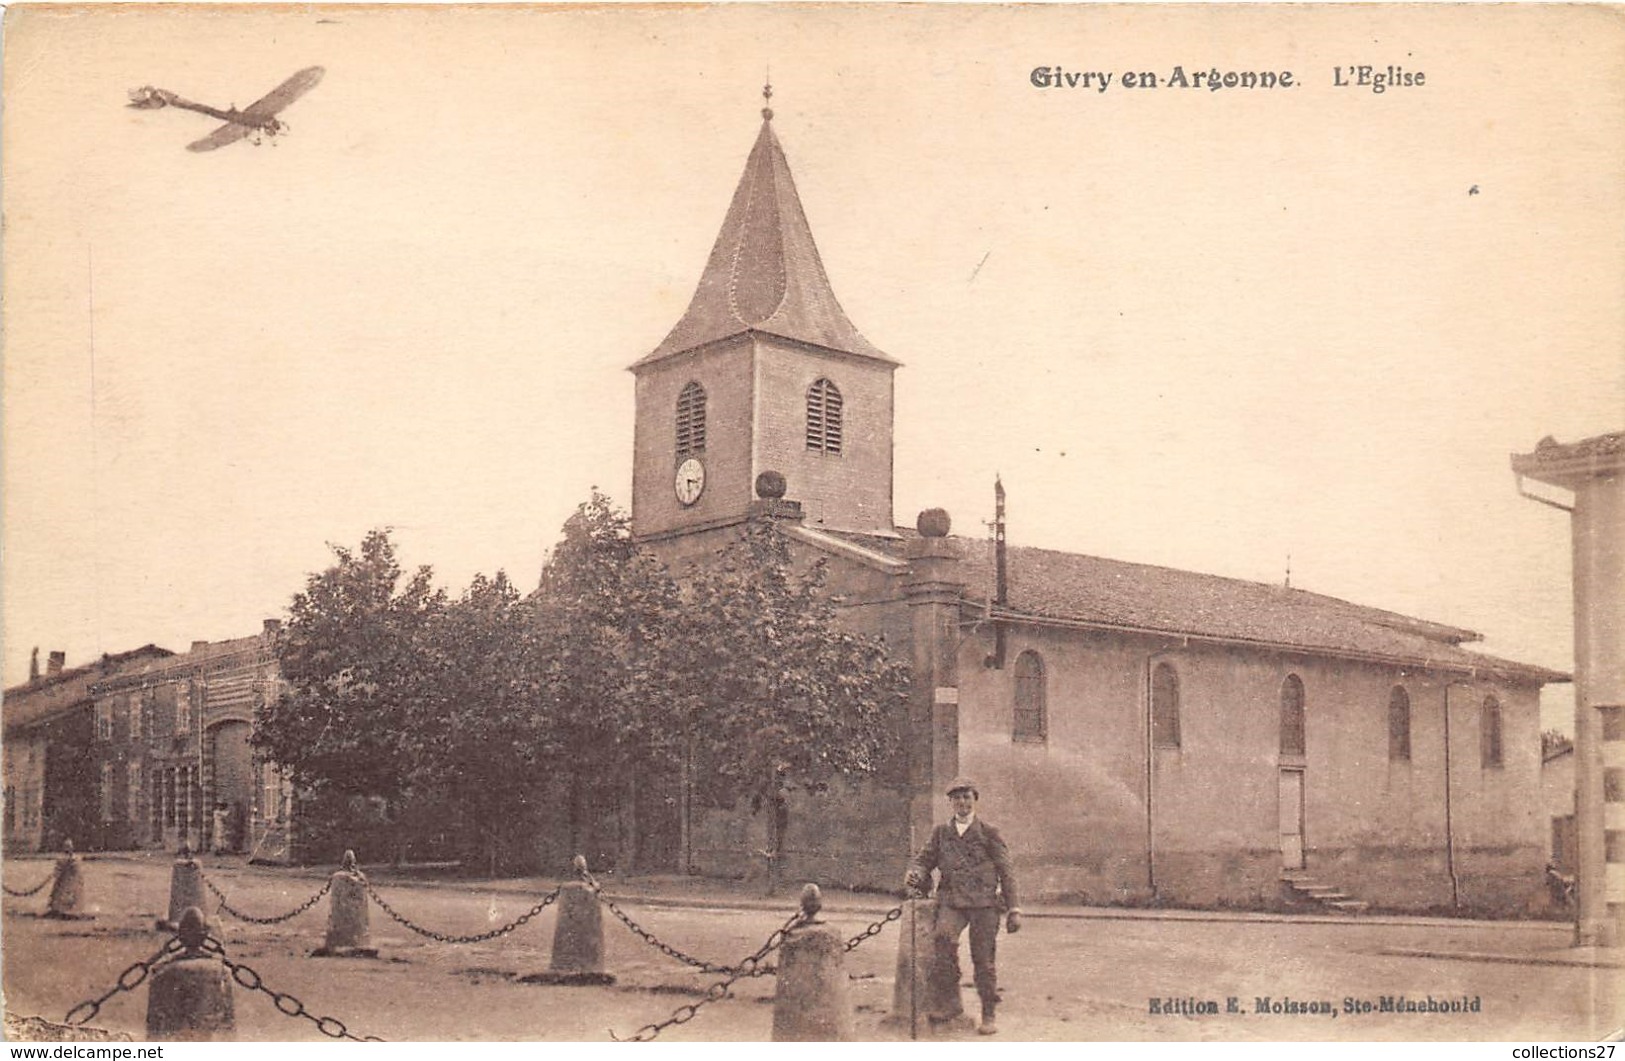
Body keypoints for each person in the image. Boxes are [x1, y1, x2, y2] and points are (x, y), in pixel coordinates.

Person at [905, 778, 1021, 1035]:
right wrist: (916, 872)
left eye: (967, 797)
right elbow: (924, 860)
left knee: (983, 959)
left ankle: (988, 1012)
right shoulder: (941, 833)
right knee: (943, 940)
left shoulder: (989, 832)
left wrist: (1014, 909)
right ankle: (950, 1004)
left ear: (974, 800)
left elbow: (1006, 870)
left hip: (984, 905)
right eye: (957, 798)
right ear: (951, 803)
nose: (962, 802)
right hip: (952, 901)